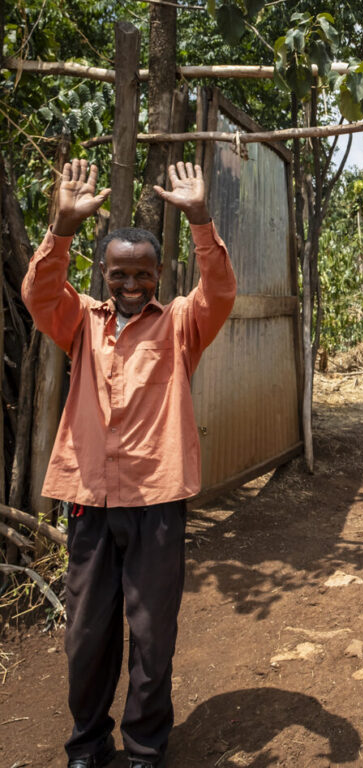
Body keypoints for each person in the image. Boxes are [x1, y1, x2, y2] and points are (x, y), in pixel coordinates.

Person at [21, 158, 237, 768]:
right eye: (119, 274)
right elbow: (38, 291)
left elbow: (220, 290)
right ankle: (87, 745)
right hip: (88, 498)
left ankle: (144, 748)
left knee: (151, 635)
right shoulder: (81, 323)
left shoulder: (180, 326)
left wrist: (200, 219)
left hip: (157, 504)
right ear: (105, 274)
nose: (131, 284)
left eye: (143, 273)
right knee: (87, 635)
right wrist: (60, 228)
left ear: (159, 273)